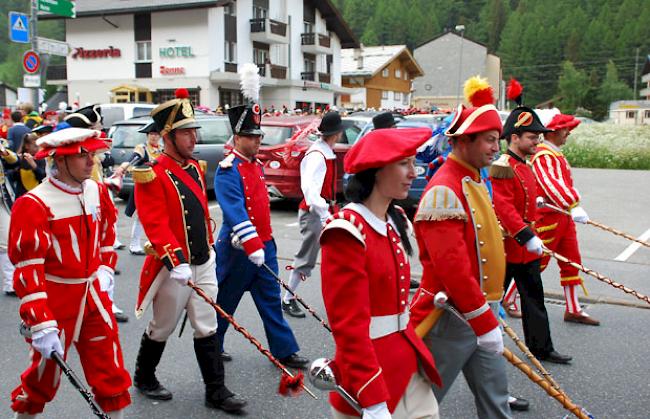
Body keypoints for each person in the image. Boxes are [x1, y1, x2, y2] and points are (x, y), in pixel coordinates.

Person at [131, 91, 246, 413]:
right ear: (167, 136)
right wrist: (175, 260)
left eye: (194, 130)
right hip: (173, 267)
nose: (194, 137)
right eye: (186, 132)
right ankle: (143, 376)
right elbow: (155, 223)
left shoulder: (195, 167)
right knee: (162, 326)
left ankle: (216, 391)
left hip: (202, 260)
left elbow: (200, 215)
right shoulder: (152, 173)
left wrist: (208, 251)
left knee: (207, 324)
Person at [8, 127, 131, 418]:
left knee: (111, 373)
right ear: (59, 160)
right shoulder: (34, 203)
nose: (92, 161)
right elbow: (28, 269)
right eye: (82, 155)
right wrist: (40, 322)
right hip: (55, 301)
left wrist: (104, 268)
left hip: (93, 296)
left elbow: (106, 235)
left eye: (93, 154)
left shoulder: (96, 190)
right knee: (42, 379)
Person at [320, 127, 441, 419]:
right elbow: (349, 327)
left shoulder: (392, 219)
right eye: (404, 163)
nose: (413, 173)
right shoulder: (346, 231)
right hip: (370, 373)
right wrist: (371, 398)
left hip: (406, 360)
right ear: (375, 170)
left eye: (413, 163)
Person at [410, 94, 518, 418]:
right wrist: (484, 321)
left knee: (496, 399)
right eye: (489, 140)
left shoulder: (471, 179)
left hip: (480, 310)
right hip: (453, 315)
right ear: (463, 141)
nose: (496, 149)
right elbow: (452, 268)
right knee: (421, 401)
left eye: (496, 140)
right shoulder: (445, 189)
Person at [214, 102, 308, 369]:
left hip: (264, 245)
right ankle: (213, 345)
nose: (258, 142)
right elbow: (235, 211)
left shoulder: (255, 165)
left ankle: (284, 350)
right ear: (238, 138)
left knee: (270, 300)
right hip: (239, 250)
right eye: (253, 137)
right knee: (225, 302)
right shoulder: (227, 169)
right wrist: (252, 243)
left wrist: (264, 244)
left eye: (259, 137)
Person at [491, 107, 573, 365]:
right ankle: (475, 348)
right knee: (491, 301)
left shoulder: (525, 166)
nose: (537, 141)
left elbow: (524, 198)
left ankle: (541, 348)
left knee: (534, 298)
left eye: (538, 136)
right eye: (532, 137)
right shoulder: (503, 166)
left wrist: (540, 203)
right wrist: (526, 235)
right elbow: (503, 206)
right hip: (507, 246)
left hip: (524, 247)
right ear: (515, 137)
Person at [531, 110, 600, 326]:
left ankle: (573, 308)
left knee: (572, 261)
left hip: (562, 216)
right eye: (565, 129)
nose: (568, 132)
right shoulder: (543, 155)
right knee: (537, 263)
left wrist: (572, 206)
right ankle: (511, 299)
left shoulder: (554, 153)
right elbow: (552, 186)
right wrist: (573, 203)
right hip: (548, 217)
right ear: (552, 131)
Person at [283, 111, 342, 318]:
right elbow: (310, 189)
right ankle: (288, 298)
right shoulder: (318, 155)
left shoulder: (324, 151)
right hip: (315, 212)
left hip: (324, 210)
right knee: (306, 257)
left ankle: (341, 297)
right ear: (337, 134)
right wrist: (325, 215)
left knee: (339, 254)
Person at [112, 121, 162, 255]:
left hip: (158, 187)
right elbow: (134, 159)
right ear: (147, 135)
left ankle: (157, 242)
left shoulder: (161, 149)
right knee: (141, 216)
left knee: (158, 216)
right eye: (151, 134)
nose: (154, 137)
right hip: (144, 187)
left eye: (156, 134)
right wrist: (124, 167)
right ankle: (134, 245)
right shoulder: (142, 148)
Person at [0, 136, 18, 295]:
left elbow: (14, 160)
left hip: (2, 199)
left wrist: (3, 151)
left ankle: (10, 283)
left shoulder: (1, 143)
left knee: (6, 240)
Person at [14, 132, 46, 197]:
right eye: (35, 146)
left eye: (39, 146)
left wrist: (34, 165)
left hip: (36, 193)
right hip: (22, 193)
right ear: (27, 146)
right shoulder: (21, 158)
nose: (38, 149)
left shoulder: (40, 159)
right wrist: (17, 165)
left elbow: (42, 176)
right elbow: (13, 177)